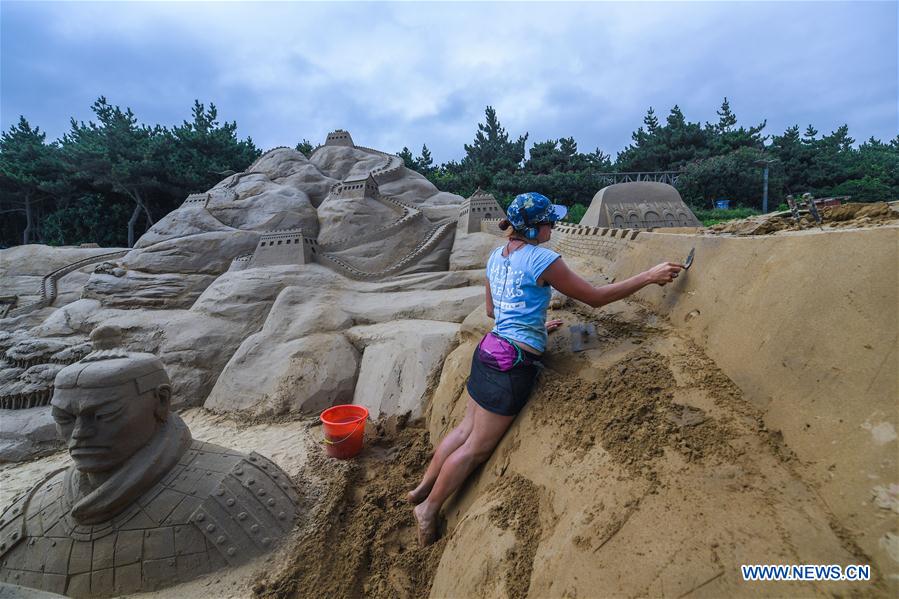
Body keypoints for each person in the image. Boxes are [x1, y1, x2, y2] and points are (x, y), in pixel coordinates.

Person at [408, 192, 684, 546]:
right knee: (475, 448)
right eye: (548, 222)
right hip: (510, 366)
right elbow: (595, 298)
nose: (553, 226)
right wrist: (648, 276)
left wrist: (534, 327)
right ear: (533, 229)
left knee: (463, 429)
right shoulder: (542, 259)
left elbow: (493, 311)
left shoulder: (496, 255)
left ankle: (421, 489)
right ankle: (428, 508)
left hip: (489, 350)